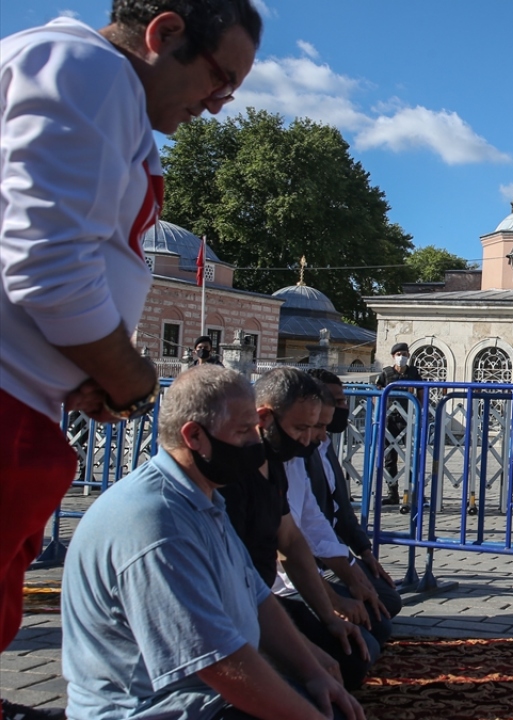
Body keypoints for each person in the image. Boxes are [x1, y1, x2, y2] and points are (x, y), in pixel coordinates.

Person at [0, 0, 261, 706]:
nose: (218, 104)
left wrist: (84, 367)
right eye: (220, 78)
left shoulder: (95, 84)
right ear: (165, 33)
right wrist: (130, 379)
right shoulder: (88, 70)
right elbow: (48, 267)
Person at [60, 366, 364, 720]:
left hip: (203, 695)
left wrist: (311, 669)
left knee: (332, 691)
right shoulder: (157, 522)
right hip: (156, 707)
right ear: (194, 436)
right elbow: (216, 661)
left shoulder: (204, 499)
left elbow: (256, 596)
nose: (256, 442)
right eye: (243, 432)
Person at [219, 368, 372, 690]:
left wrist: (329, 615)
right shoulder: (231, 477)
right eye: (301, 428)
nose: (308, 439)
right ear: (264, 418)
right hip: (236, 610)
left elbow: (290, 538)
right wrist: (305, 654)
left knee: (355, 652)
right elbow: (232, 584)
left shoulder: (275, 463)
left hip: (260, 600)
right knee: (334, 672)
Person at [304, 369, 402, 634]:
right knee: (375, 630)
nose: (343, 408)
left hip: (330, 549)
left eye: (343, 401)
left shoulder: (325, 445)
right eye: (336, 401)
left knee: (388, 600)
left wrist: (365, 553)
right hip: (305, 562)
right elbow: (298, 533)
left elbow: (342, 511)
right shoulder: (298, 453)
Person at [374, 342, 421, 506]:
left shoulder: (413, 373)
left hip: (408, 418)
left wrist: (421, 411)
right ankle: (392, 492)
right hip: (390, 419)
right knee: (389, 457)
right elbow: (377, 392)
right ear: (393, 356)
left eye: (405, 354)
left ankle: (412, 492)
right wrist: (379, 412)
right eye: (399, 354)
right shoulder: (386, 373)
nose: (402, 357)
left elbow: (422, 392)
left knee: (412, 456)